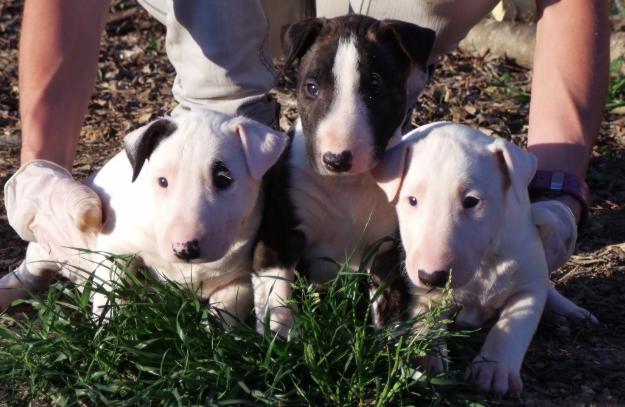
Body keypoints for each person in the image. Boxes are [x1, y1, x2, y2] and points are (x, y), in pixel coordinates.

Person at [4, 0, 609, 273]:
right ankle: (224, 172)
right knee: (222, 111)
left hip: (382, 14)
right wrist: (42, 167)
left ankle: (369, 179)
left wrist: (556, 188)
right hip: (230, 21)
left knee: (362, 121)